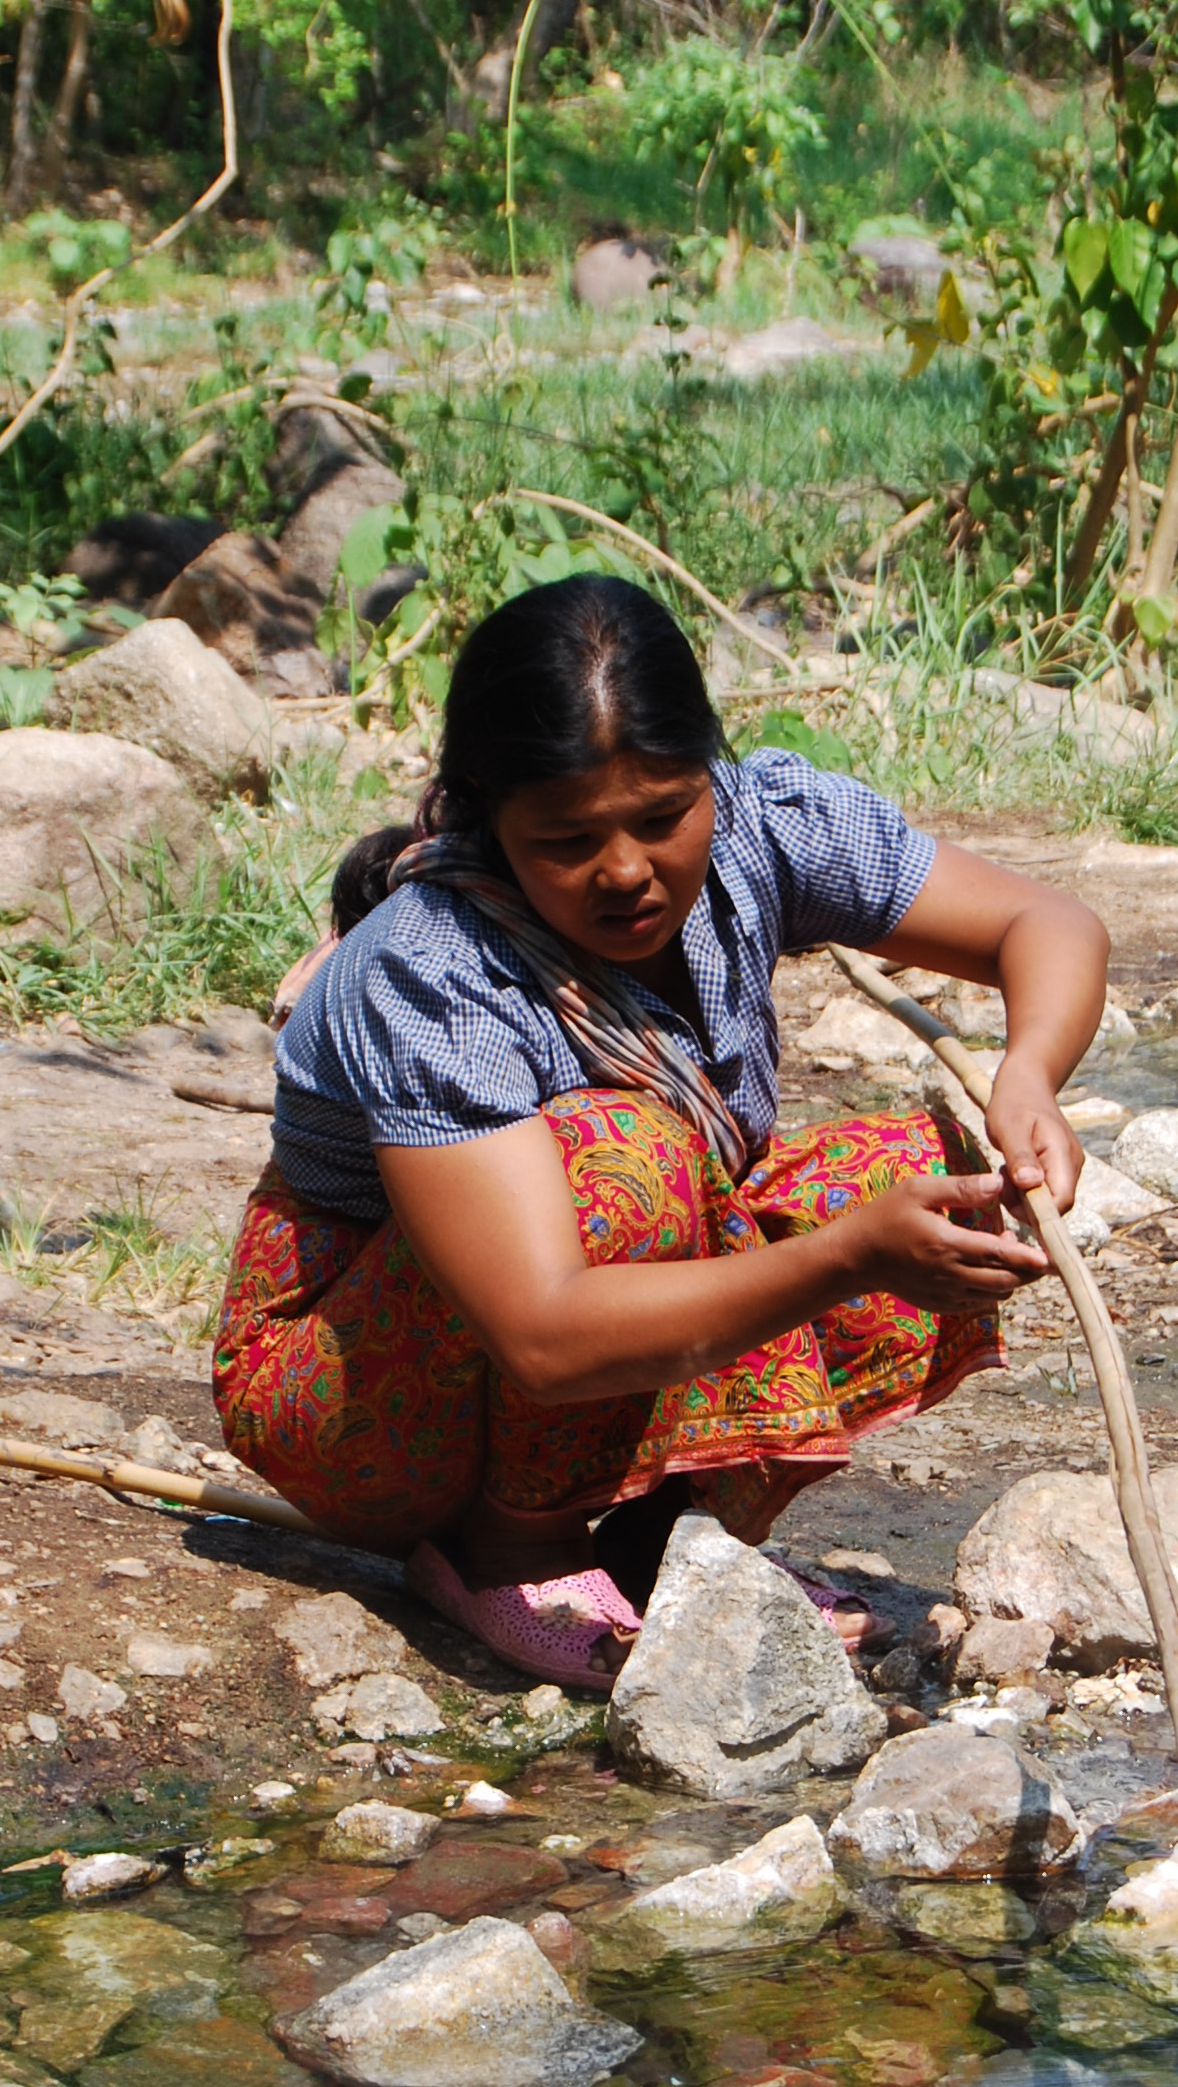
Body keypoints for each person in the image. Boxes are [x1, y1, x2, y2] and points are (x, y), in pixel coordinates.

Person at [213, 572, 1108, 1688]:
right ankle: (511, 1551)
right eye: (568, 839)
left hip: (553, 1343)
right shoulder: (434, 970)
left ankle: (666, 1545)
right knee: (625, 1161)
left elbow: (1046, 922)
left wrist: (1029, 1075)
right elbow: (541, 1334)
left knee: (930, 1170)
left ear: (707, 776)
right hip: (354, 1398)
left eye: (662, 818)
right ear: (489, 815)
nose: (628, 872)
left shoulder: (761, 827)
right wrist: (848, 1258)